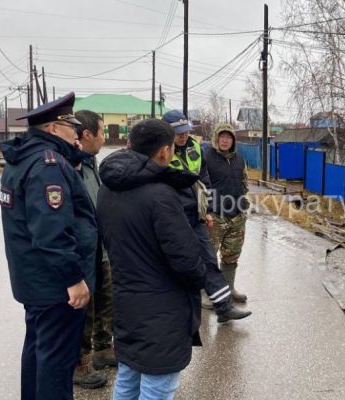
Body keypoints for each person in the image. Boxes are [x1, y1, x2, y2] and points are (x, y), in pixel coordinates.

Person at [96, 119, 205, 399]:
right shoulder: (161, 196)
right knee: (157, 389)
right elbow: (187, 262)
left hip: (127, 300)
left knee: (129, 378)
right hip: (162, 311)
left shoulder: (108, 187)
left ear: (130, 145)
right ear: (164, 152)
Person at [0, 92, 97, 400]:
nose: (76, 132)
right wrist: (74, 279)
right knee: (57, 363)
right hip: (56, 286)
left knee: (38, 351)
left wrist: (75, 157)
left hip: (36, 281)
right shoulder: (48, 166)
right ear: (54, 129)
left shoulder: (27, 157)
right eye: (71, 126)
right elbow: (51, 233)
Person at [162, 110, 251, 322]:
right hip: (182, 215)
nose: (184, 136)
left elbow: (206, 181)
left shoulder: (201, 150)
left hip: (218, 213)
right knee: (193, 258)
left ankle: (224, 299)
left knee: (218, 258)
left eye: (228, 137)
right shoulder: (169, 151)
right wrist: (210, 209)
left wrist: (238, 201)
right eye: (221, 137)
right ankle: (199, 298)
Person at [71, 110, 113, 389]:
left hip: (101, 245)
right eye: (101, 131)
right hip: (82, 249)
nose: (104, 137)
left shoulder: (91, 161)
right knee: (83, 309)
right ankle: (79, 362)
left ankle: (102, 348)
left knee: (106, 296)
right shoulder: (71, 164)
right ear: (87, 135)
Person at [204, 123, 250, 303]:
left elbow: (244, 182)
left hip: (237, 215)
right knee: (208, 256)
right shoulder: (206, 157)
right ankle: (207, 294)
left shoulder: (239, 159)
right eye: (221, 136)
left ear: (233, 140)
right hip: (214, 215)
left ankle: (229, 289)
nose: (224, 140)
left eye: (228, 137)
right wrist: (205, 210)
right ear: (216, 138)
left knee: (232, 254)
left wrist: (244, 200)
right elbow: (200, 185)